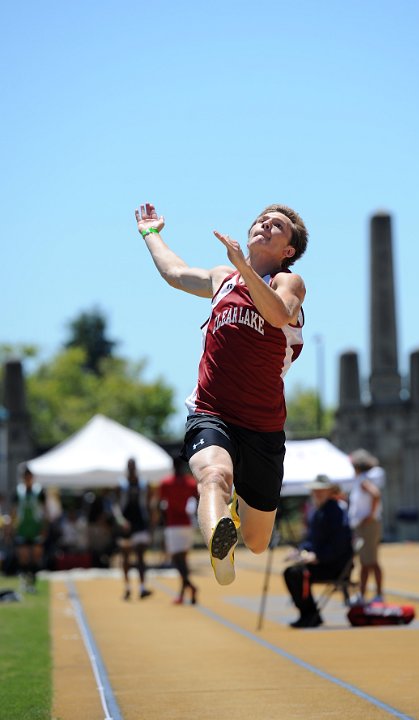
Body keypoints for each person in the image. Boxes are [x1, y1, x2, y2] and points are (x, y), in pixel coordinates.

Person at [135, 201, 308, 586]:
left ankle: (236, 524)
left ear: (288, 251)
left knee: (258, 541)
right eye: (261, 219)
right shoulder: (222, 279)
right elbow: (176, 273)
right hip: (211, 410)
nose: (264, 223)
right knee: (212, 475)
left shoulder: (287, 283)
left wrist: (244, 267)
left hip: (263, 427)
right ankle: (220, 547)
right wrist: (151, 234)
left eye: (276, 225)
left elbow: (278, 315)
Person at [283, 475, 353, 628]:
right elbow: (311, 541)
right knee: (291, 572)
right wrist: (300, 551)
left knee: (296, 574)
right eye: (315, 490)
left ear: (330, 491)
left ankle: (310, 615)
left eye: (321, 490)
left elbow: (340, 544)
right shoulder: (317, 511)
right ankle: (308, 614)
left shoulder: (336, 511)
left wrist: (318, 557)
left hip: (334, 565)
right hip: (321, 562)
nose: (317, 493)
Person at [157, 453, 199, 604]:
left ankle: (191, 586)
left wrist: (163, 521)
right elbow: (197, 499)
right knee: (183, 560)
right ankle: (182, 594)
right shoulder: (190, 483)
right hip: (186, 524)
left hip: (173, 524)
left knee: (177, 561)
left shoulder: (165, 483)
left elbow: (161, 506)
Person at [347, 448, 385, 603]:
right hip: (364, 525)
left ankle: (374, 594)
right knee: (366, 561)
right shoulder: (362, 479)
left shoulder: (363, 480)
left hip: (368, 525)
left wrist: (370, 516)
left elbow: (375, 494)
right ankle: (366, 594)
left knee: (370, 561)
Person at [113, 458, 153, 600]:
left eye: (133, 466)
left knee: (141, 556)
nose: (131, 469)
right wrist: (121, 521)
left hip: (140, 523)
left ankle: (142, 587)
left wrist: (150, 525)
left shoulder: (143, 484)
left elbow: (148, 505)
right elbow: (116, 506)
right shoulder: (121, 485)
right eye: (129, 466)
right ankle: (127, 587)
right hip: (125, 525)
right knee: (126, 557)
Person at [11, 465, 47, 592]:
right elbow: (14, 511)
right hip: (23, 527)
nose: (28, 479)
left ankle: (33, 580)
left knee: (36, 555)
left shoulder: (39, 491)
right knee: (24, 555)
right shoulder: (19, 491)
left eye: (29, 476)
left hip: (35, 527)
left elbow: (44, 510)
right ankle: (25, 579)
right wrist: (12, 526)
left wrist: (44, 527)